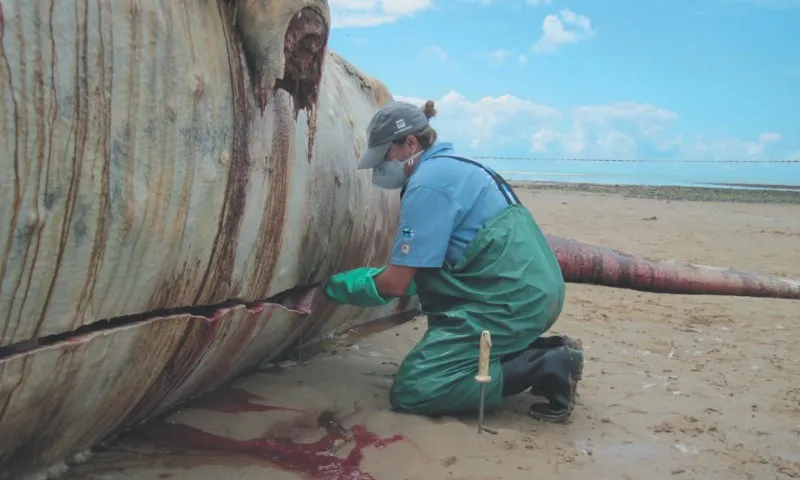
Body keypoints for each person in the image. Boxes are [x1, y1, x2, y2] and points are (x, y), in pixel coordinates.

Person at [322, 99, 584, 423]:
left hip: (509, 301)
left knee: (415, 389)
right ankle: (534, 354)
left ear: (411, 144)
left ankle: (547, 364)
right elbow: (430, 268)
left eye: (385, 155)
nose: (381, 166)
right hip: (530, 290)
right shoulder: (454, 166)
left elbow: (397, 283)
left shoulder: (427, 184)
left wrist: (334, 286)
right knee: (441, 347)